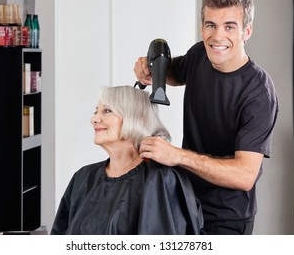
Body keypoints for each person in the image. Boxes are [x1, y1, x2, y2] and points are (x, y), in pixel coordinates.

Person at [134, 0, 278, 235]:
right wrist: (151, 69)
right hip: (185, 202)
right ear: (202, 27)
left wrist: (177, 156)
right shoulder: (200, 54)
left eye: (229, 26)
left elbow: (244, 175)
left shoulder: (258, 92)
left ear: (247, 32)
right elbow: (175, 73)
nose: (217, 36)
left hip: (227, 218)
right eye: (210, 25)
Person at [51, 85, 203, 235]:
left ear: (138, 118)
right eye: (96, 111)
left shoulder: (161, 179)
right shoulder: (83, 177)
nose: (94, 119)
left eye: (107, 111)